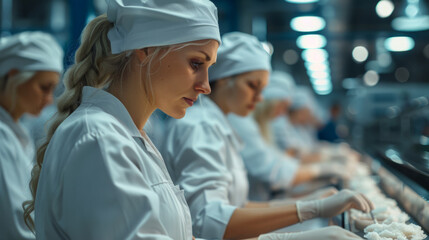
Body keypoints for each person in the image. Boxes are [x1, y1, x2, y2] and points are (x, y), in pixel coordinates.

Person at [23, 0, 221, 239]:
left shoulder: (126, 137)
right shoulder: (99, 140)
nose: (206, 86)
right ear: (146, 48)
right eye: (196, 63)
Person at [162, 32, 373, 239]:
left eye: (262, 89)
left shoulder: (219, 124)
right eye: (253, 86)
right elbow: (207, 221)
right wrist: (309, 209)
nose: (260, 98)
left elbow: (237, 205)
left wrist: (308, 203)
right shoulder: (200, 126)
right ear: (225, 79)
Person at [228, 71, 349, 202]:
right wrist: (319, 169)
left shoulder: (262, 125)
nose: (259, 98)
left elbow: (279, 158)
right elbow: (273, 169)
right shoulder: (243, 123)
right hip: (256, 202)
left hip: (262, 199)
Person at [0, 31, 63, 239]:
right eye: (44, 88)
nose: (49, 100)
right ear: (13, 76)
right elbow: (16, 228)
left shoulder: (16, 130)